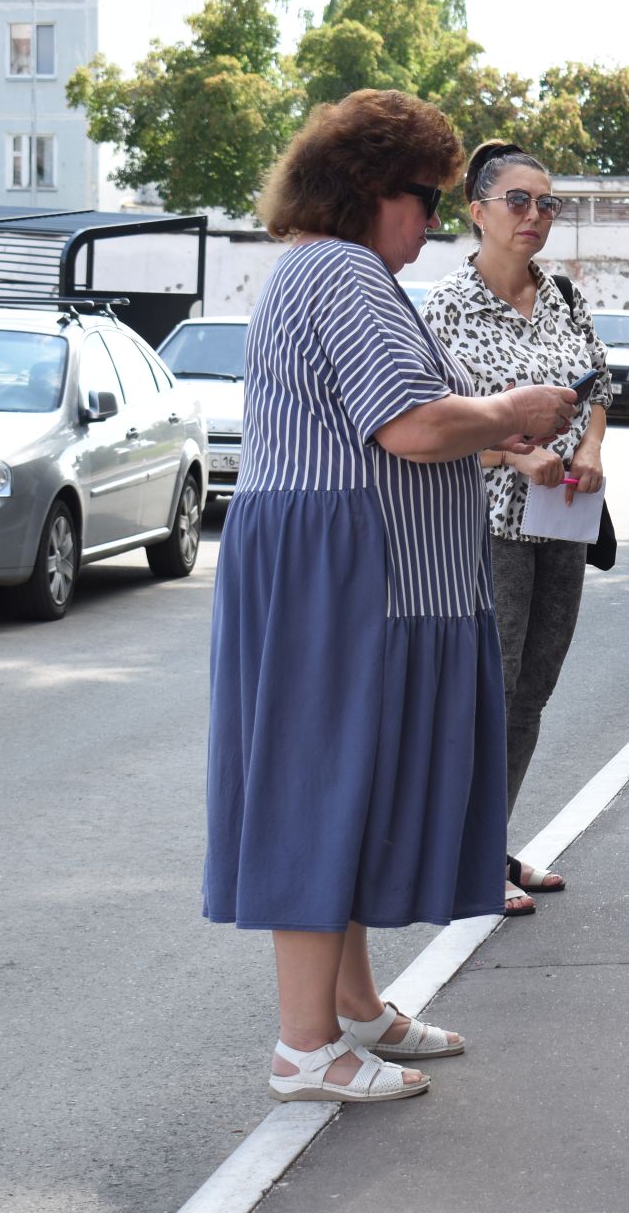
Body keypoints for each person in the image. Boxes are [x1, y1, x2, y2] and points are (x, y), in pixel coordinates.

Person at [203, 90, 579, 1105]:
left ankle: (354, 1008)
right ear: (370, 189)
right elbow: (409, 426)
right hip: (348, 569)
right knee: (323, 785)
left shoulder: (327, 268)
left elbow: (404, 416)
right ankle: (305, 1047)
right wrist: (513, 408)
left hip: (350, 563)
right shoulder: (343, 271)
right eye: (424, 195)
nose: (433, 219)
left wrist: (492, 427)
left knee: (348, 783)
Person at [424, 141, 611, 917]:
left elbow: (597, 386)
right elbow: (425, 424)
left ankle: (490, 845)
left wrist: (590, 449)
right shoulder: (443, 308)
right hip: (484, 527)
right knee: (488, 695)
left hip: (562, 521)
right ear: (478, 212)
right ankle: (464, 860)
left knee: (532, 691)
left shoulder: (563, 295)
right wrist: (509, 453)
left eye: (548, 203)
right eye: (518, 201)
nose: (536, 215)